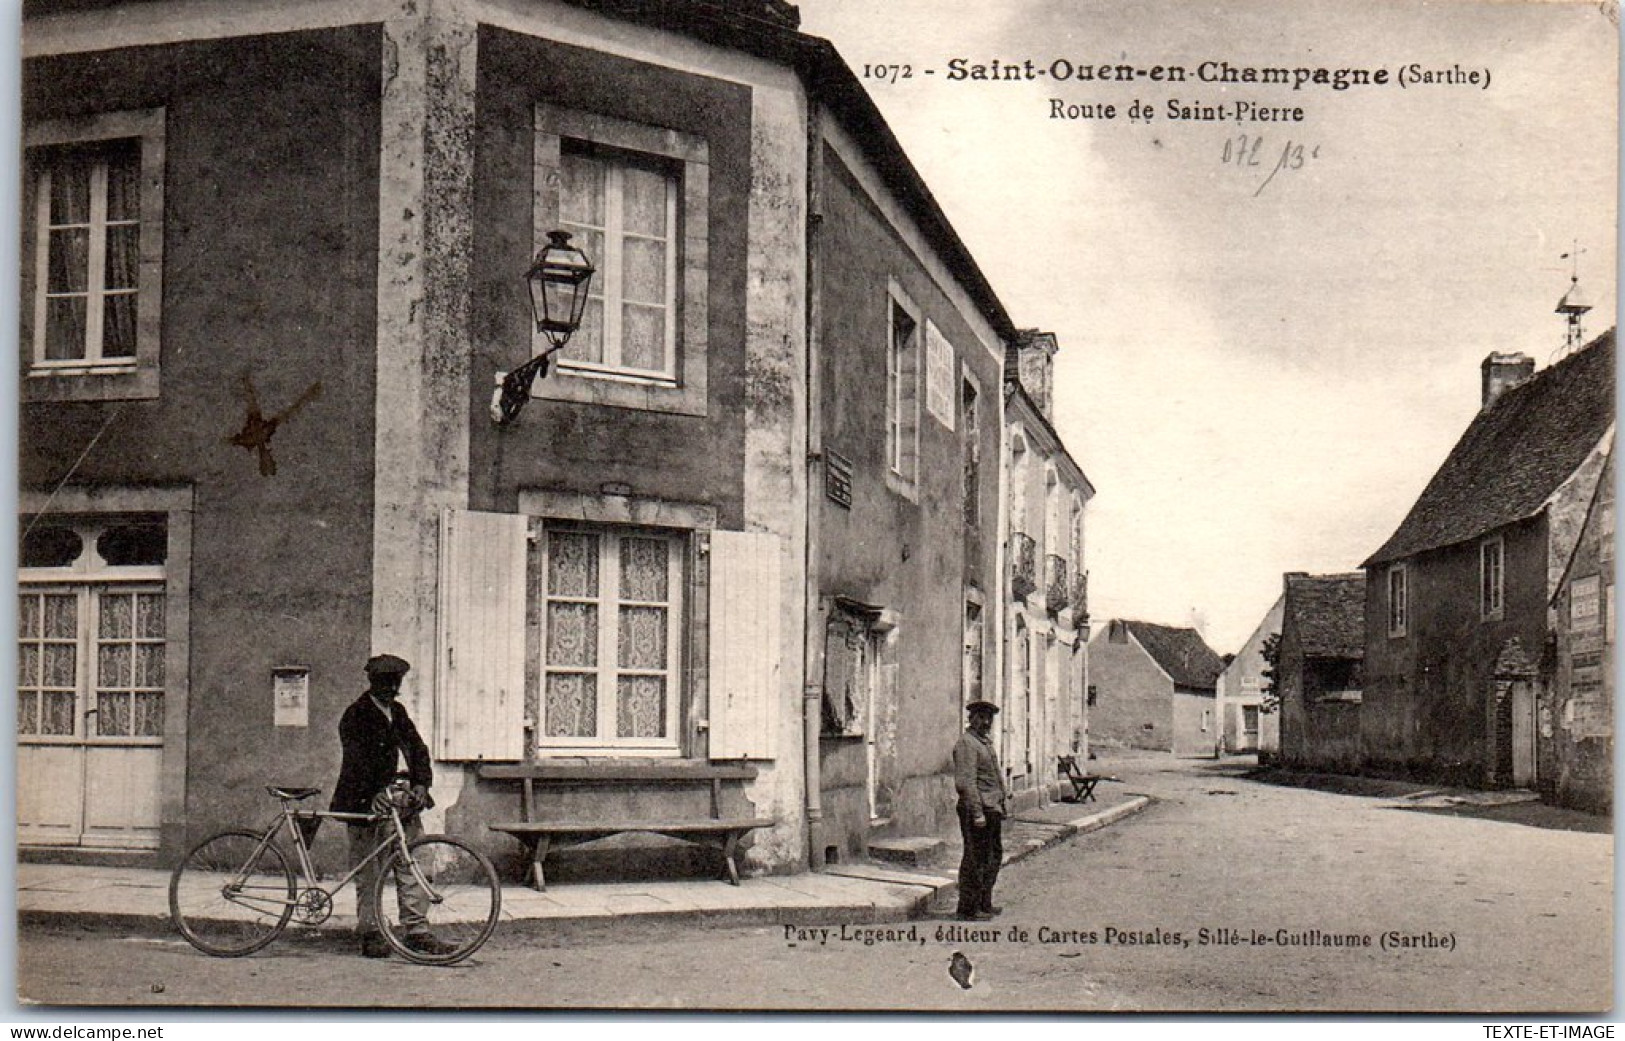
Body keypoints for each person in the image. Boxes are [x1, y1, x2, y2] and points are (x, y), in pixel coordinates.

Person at [331, 653, 452, 958]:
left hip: (403, 801)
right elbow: (355, 762)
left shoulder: (398, 712)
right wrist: (373, 793)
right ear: (372, 682)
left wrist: (421, 784)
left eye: (395, 682)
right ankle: (371, 931)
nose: (391, 687)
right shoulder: (355, 715)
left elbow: (419, 749)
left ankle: (417, 930)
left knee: (414, 863)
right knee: (370, 869)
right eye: (384, 682)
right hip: (368, 804)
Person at [952, 700, 1010, 922]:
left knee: (992, 857)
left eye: (989, 718)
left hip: (990, 808)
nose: (986, 722)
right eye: (982, 717)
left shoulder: (984, 743)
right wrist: (977, 813)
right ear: (972, 718)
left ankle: (984, 903)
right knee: (975, 859)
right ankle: (968, 909)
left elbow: (993, 777)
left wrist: (1002, 804)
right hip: (977, 810)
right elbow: (966, 783)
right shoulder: (967, 744)